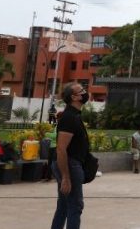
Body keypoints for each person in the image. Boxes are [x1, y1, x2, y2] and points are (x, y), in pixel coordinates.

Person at [51, 82, 91, 229]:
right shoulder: (69, 117)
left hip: (71, 164)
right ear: (74, 97)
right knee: (75, 206)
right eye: (82, 91)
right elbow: (61, 149)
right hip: (70, 165)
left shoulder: (74, 115)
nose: (85, 92)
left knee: (63, 205)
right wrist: (66, 177)